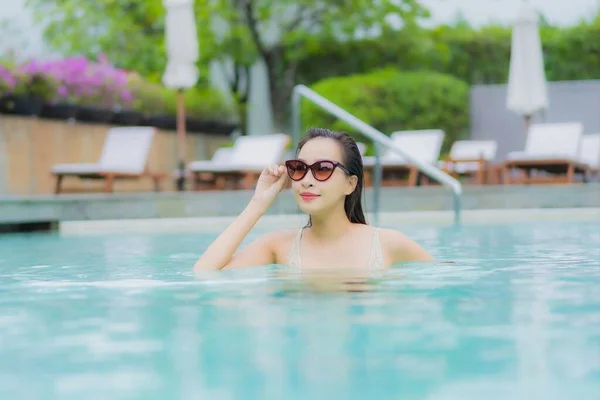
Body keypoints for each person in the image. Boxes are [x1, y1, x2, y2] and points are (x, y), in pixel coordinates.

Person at [193, 127, 434, 272]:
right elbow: (204, 273)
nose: (307, 180)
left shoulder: (387, 244)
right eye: (299, 168)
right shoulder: (278, 246)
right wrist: (258, 204)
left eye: (322, 169)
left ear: (351, 184)